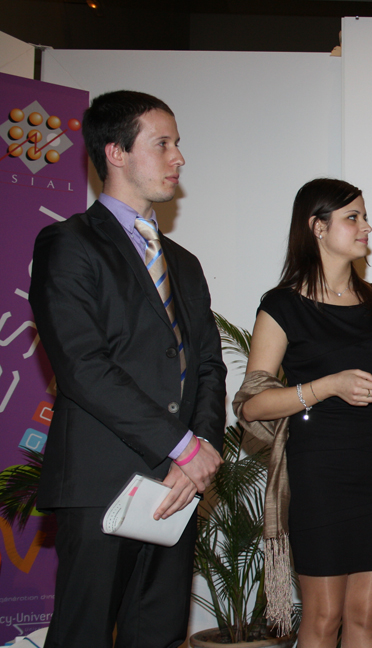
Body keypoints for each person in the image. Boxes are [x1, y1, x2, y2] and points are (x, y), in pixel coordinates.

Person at [28, 90, 226, 647]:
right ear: (115, 152)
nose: (178, 157)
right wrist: (181, 445)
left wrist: (200, 453)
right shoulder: (67, 243)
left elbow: (208, 365)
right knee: (84, 635)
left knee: (159, 636)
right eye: (162, 144)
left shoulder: (184, 263)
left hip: (177, 489)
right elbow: (82, 366)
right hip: (102, 483)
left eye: (178, 144)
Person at [237, 178, 372, 648]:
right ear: (318, 227)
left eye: (365, 216)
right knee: (324, 617)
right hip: (319, 472)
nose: (367, 226)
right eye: (353, 217)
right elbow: (251, 403)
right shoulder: (282, 305)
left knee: (366, 616)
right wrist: (327, 386)